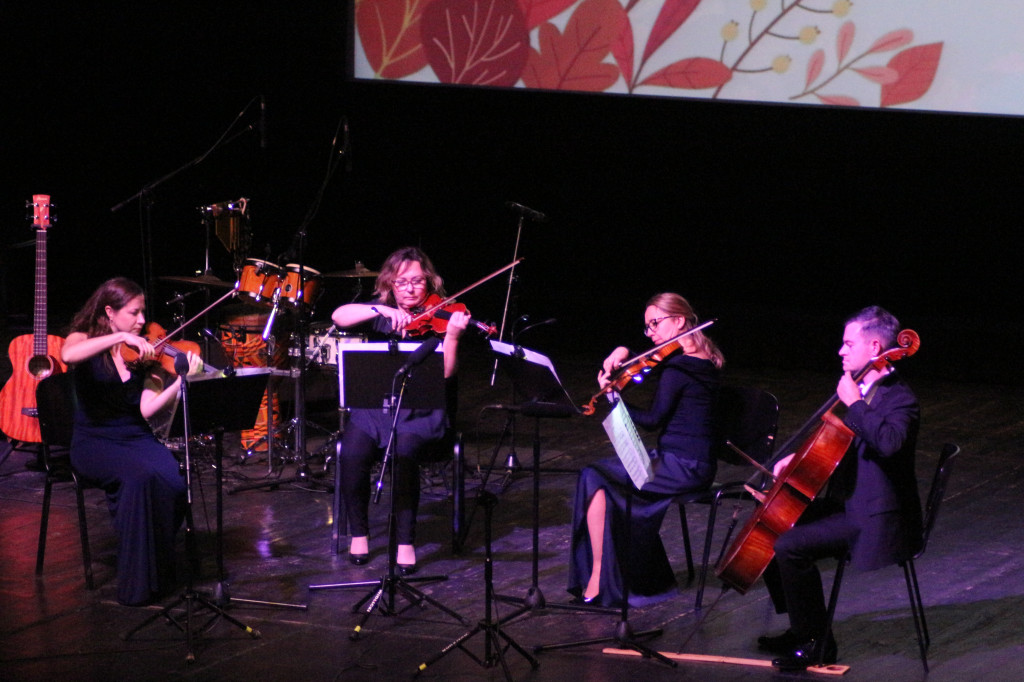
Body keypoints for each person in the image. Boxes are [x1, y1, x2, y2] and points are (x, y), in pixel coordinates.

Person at [758, 305, 922, 670]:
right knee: (773, 523)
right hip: (851, 502)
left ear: (876, 346)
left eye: (848, 344)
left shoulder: (899, 398)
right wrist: (797, 461)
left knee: (790, 546)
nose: (841, 351)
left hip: (875, 516)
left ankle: (818, 644)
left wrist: (855, 403)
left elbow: (889, 443)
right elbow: (842, 448)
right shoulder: (864, 389)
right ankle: (801, 627)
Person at [567, 293, 724, 607]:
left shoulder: (681, 368)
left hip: (684, 468)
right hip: (686, 462)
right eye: (647, 327)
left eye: (655, 324)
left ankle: (600, 577)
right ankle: (619, 576)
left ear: (679, 320)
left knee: (594, 475)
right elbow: (649, 361)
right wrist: (624, 351)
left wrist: (614, 397)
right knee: (600, 478)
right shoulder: (696, 357)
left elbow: (652, 420)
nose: (651, 333)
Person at [60, 277, 205, 606]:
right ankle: (137, 584)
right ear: (109, 311)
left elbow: (147, 408)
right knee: (137, 478)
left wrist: (180, 384)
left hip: (135, 436)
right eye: (134, 313)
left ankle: (159, 568)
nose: (142, 321)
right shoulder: (82, 339)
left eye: (143, 313)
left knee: (172, 482)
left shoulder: (146, 354)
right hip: (94, 441)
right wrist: (119, 336)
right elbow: (69, 355)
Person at [331, 247, 468, 573]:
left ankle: (406, 541)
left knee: (404, 453)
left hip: (422, 413)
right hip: (375, 410)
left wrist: (452, 336)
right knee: (351, 452)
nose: (409, 288)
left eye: (417, 281)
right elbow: (339, 316)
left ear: (429, 282)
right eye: (401, 282)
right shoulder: (380, 311)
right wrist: (378, 311)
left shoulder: (442, 315)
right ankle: (359, 533)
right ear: (389, 284)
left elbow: (446, 373)